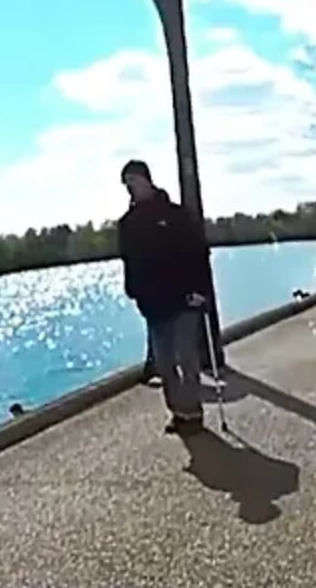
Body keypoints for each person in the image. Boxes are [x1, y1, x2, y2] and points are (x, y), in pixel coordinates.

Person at [117, 159, 213, 436]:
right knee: (164, 362)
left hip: (184, 298)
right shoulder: (127, 224)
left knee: (187, 357)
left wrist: (200, 290)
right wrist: (133, 291)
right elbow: (128, 261)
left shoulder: (175, 215)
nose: (130, 188)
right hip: (153, 304)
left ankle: (193, 413)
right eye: (126, 184)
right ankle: (178, 412)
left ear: (146, 179)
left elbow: (198, 253)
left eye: (133, 181)